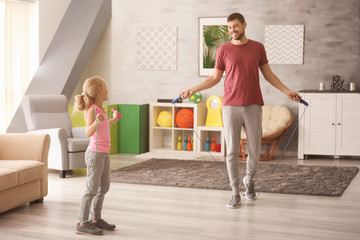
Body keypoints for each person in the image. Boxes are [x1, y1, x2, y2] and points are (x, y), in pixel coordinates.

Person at [180, 13, 301, 209]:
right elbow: (214, 78)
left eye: (235, 26)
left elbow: (268, 74)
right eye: (229, 28)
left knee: (254, 149)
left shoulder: (257, 48)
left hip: (253, 105)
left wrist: (287, 91)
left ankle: (249, 182)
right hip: (230, 106)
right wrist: (193, 89)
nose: (232, 31)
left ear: (244, 25)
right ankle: (234, 191)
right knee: (232, 151)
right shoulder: (223, 50)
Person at [74, 76, 120, 235]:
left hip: (104, 153)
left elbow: (104, 125)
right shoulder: (92, 109)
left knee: (104, 187)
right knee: (91, 189)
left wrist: (113, 119)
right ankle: (82, 221)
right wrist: (96, 123)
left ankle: (95, 219)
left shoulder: (102, 109)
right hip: (95, 154)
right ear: (100, 91)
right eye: (106, 88)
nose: (108, 90)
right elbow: (88, 131)